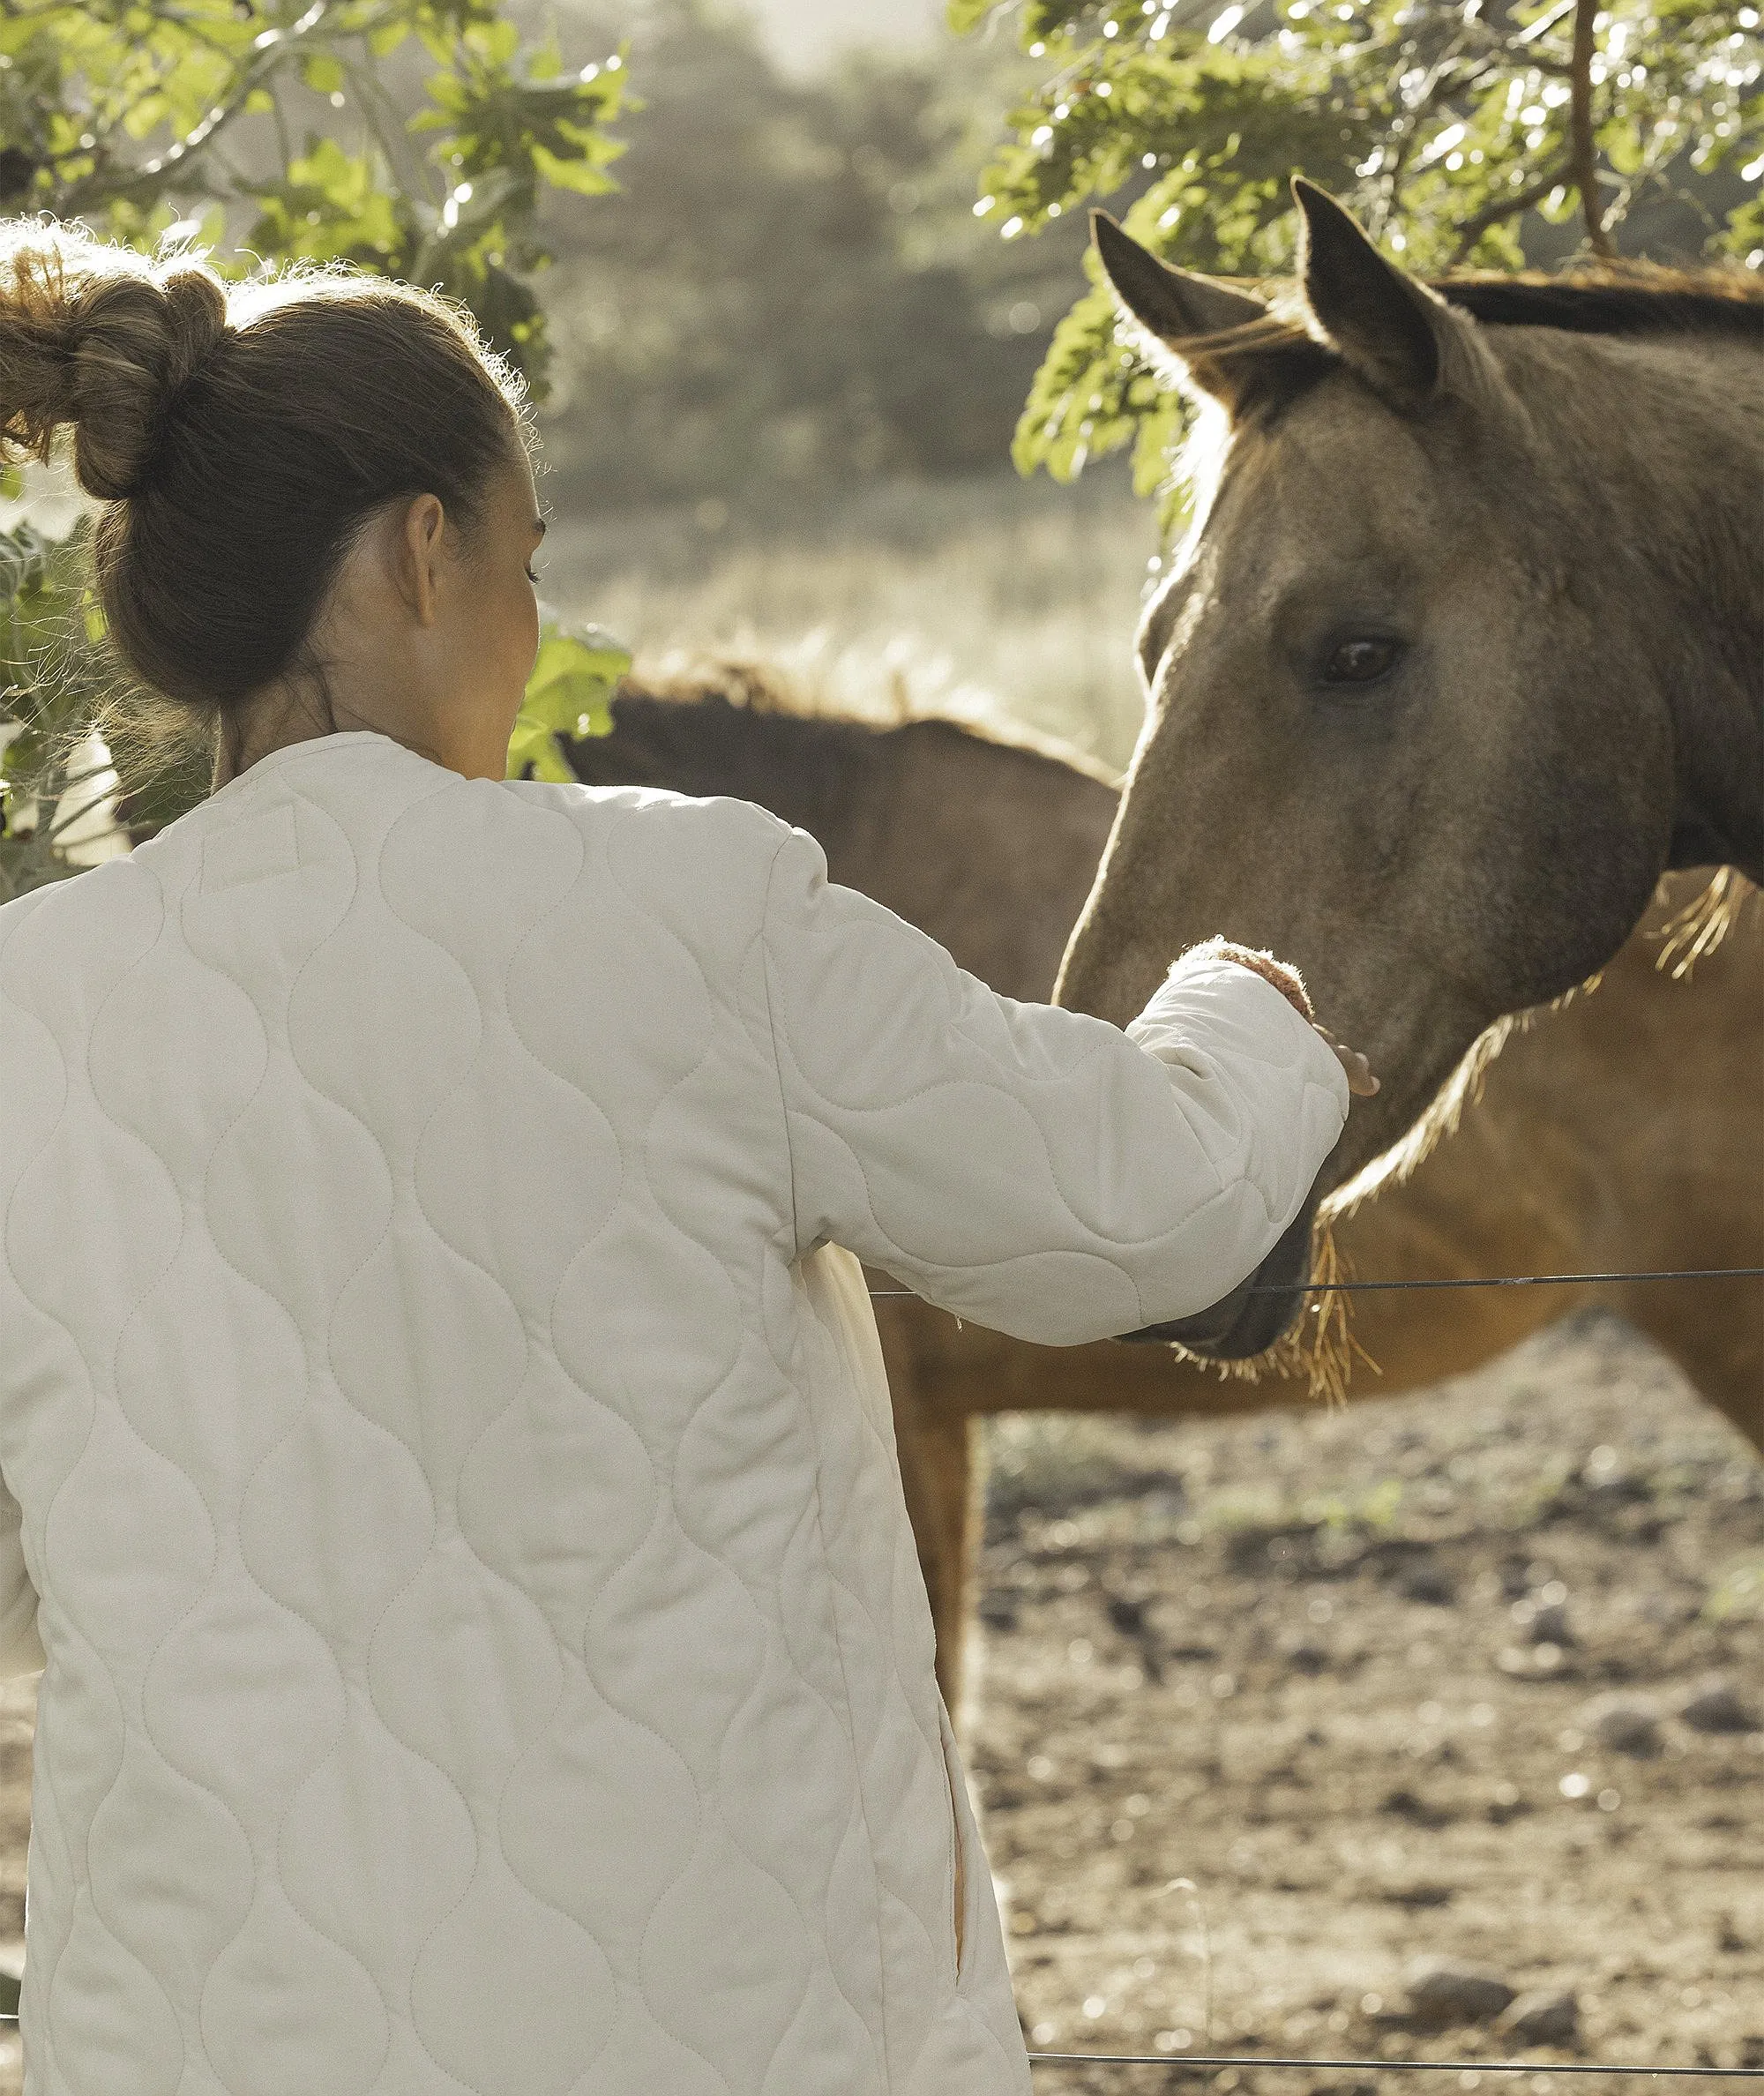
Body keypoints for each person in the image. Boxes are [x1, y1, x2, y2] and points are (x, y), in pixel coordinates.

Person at [0, 231, 1375, 2096]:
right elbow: (1149, 1211)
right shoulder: (690, 907)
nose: (534, 628)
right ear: (424, 553)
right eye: (525, 564)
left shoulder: (30, 1007)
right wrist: (1246, 1010)